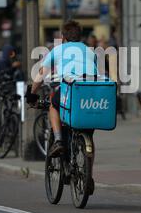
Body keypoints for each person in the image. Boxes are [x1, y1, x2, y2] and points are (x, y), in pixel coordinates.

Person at [26, 20, 98, 158]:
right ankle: (88, 177)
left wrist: (32, 93)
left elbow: (41, 74)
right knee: (89, 135)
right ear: (80, 36)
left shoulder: (58, 50)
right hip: (91, 92)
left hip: (72, 88)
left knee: (54, 105)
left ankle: (58, 140)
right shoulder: (90, 51)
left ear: (63, 38)